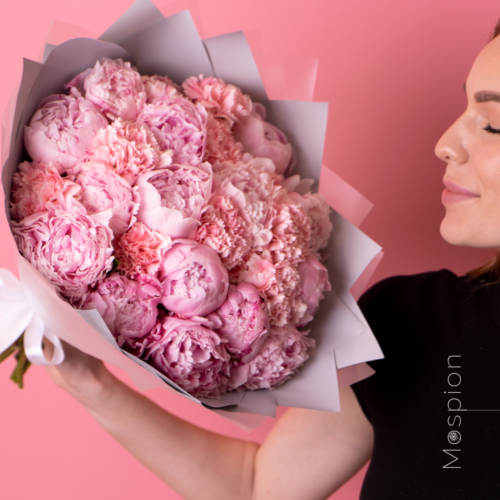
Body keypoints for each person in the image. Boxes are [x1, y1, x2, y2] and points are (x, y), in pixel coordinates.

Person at [43, 19, 500, 500]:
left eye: (493, 123)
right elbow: (258, 487)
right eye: (465, 107)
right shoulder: (414, 321)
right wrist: (88, 380)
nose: (445, 144)